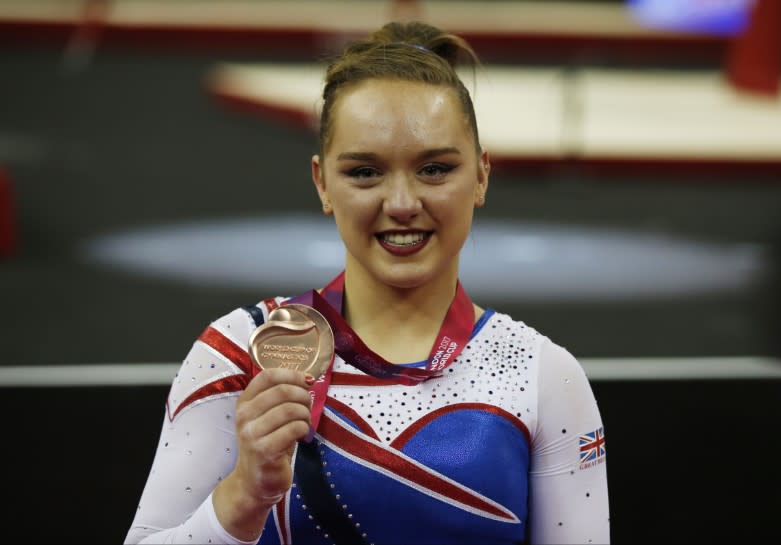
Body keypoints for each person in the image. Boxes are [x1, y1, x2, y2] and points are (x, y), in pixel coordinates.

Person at [124, 21, 610, 545]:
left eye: (434, 169)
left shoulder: (542, 376)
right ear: (322, 183)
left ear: (482, 176)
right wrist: (242, 498)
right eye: (364, 173)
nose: (401, 204)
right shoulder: (241, 354)